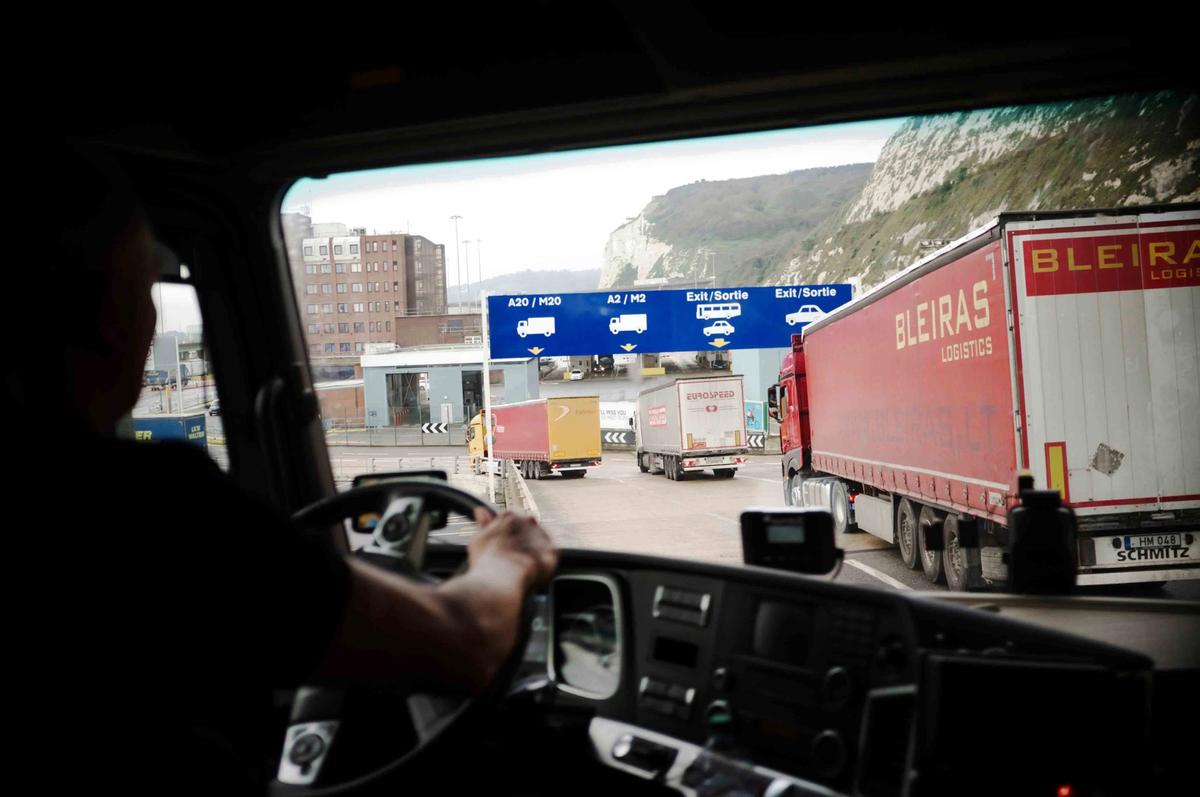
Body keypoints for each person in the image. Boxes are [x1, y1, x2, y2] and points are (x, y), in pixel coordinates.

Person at [11, 143, 557, 794]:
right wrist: (507, 556)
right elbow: (469, 641)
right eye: (154, 274)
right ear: (108, 312)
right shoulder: (151, 511)